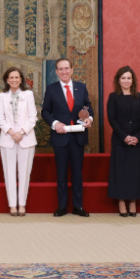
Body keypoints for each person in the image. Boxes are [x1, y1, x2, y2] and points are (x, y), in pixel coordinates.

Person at [41, 57, 93, 217]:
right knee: (61, 173)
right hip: (60, 137)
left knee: (77, 173)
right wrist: (55, 123)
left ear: (71, 70)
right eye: (60, 69)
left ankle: (78, 207)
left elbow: (87, 107)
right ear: (56, 72)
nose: (64, 71)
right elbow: (45, 112)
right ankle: (62, 206)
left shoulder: (81, 87)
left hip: (78, 137)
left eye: (66, 68)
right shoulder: (51, 89)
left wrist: (89, 118)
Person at [106, 66, 140, 217]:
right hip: (120, 140)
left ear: (133, 80)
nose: (126, 80)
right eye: (123, 78)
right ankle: (121, 202)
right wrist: (124, 136)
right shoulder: (113, 97)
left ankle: (133, 201)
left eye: (129, 78)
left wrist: (137, 136)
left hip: (137, 141)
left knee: (134, 172)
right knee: (121, 173)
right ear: (118, 80)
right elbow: (112, 119)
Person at [0, 67, 38, 216]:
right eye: (11, 77)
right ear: (7, 80)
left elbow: (33, 117)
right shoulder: (2, 96)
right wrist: (12, 132)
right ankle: (12, 205)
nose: (14, 80)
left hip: (26, 138)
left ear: (21, 79)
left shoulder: (28, 95)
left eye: (17, 77)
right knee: (9, 173)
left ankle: (22, 204)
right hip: (8, 139)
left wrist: (21, 132)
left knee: (24, 173)